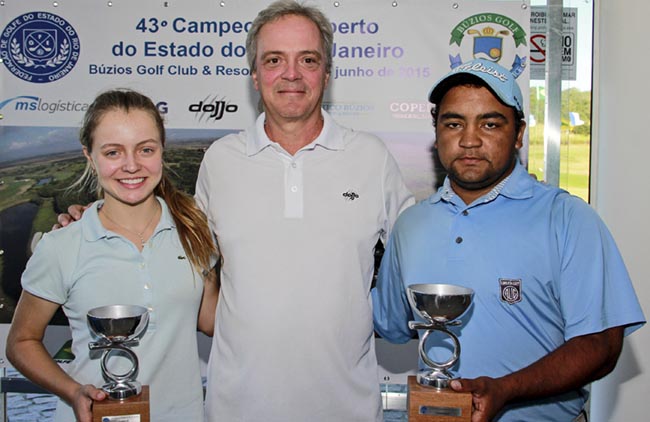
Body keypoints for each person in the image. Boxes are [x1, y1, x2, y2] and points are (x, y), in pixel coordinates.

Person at [57, 1, 413, 421]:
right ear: (255, 75)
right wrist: (96, 221)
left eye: (308, 59)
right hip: (236, 407)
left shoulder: (370, 157)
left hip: (347, 408)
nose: (292, 74)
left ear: (328, 73)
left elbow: (419, 245)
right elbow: (174, 244)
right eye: (274, 60)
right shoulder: (221, 160)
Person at [372, 58, 645, 422]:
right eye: (453, 123)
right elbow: (388, 324)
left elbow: (601, 346)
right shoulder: (410, 224)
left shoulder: (567, 219)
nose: (469, 140)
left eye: (490, 123)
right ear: (436, 132)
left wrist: (506, 389)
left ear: (518, 134)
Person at [6, 89, 218, 422]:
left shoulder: (193, 231)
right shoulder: (62, 244)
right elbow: (21, 342)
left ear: (162, 150)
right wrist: (73, 390)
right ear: (90, 157)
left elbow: (209, 319)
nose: (131, 165)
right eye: (113, 152)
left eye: (145, 149)